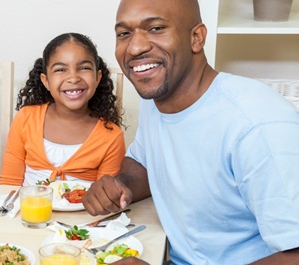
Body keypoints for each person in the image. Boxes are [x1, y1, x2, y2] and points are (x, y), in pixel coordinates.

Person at [83, 0, 299, 264]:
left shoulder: (257, 124)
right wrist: (120, 186)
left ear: (196, 37)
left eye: (156, 28)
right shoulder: (156, 98)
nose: (135, 47)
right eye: (124, 34)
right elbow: (145, 163)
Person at [0, 33, 125, 186]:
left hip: (86, 211)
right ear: (46, 81)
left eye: (84, 68)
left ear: (97, 78)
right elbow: (9, 183)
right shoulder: (26, 118)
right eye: (60, 70)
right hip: (29, 209)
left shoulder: (111, 136)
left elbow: (107, 196)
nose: (73, 78)